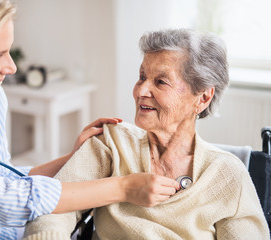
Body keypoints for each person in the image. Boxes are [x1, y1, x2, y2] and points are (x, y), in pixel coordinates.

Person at [0, 0, 166, 239]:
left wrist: (72, 159)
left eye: (8, 52)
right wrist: (123, 188)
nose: (12, 67)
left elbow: (1, 176)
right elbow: (1, 198)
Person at [24, 29, 270, 239]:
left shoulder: (228, 175)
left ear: (203, 97)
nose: (141, 90)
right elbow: (53, 208)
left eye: (161, 82)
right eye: (142, 76)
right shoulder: (112, 142)